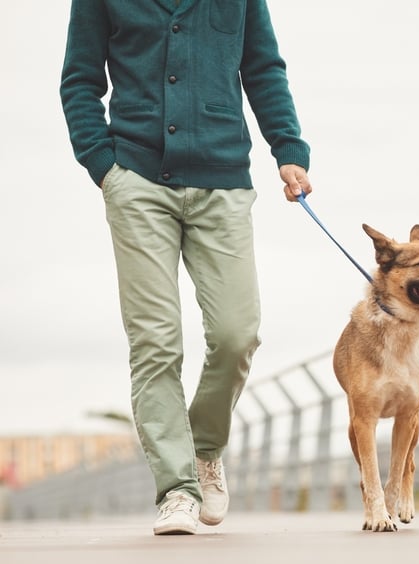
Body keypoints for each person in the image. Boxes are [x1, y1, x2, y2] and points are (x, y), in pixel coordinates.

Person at [60, 0, 312, 535]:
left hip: (224, 180)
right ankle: (176, 488)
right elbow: (80, 80)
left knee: (236, 333)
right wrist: (102, 165)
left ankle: (204, 450)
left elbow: (263, 67)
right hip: (135, 178)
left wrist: (287, 148)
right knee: (156, 341)